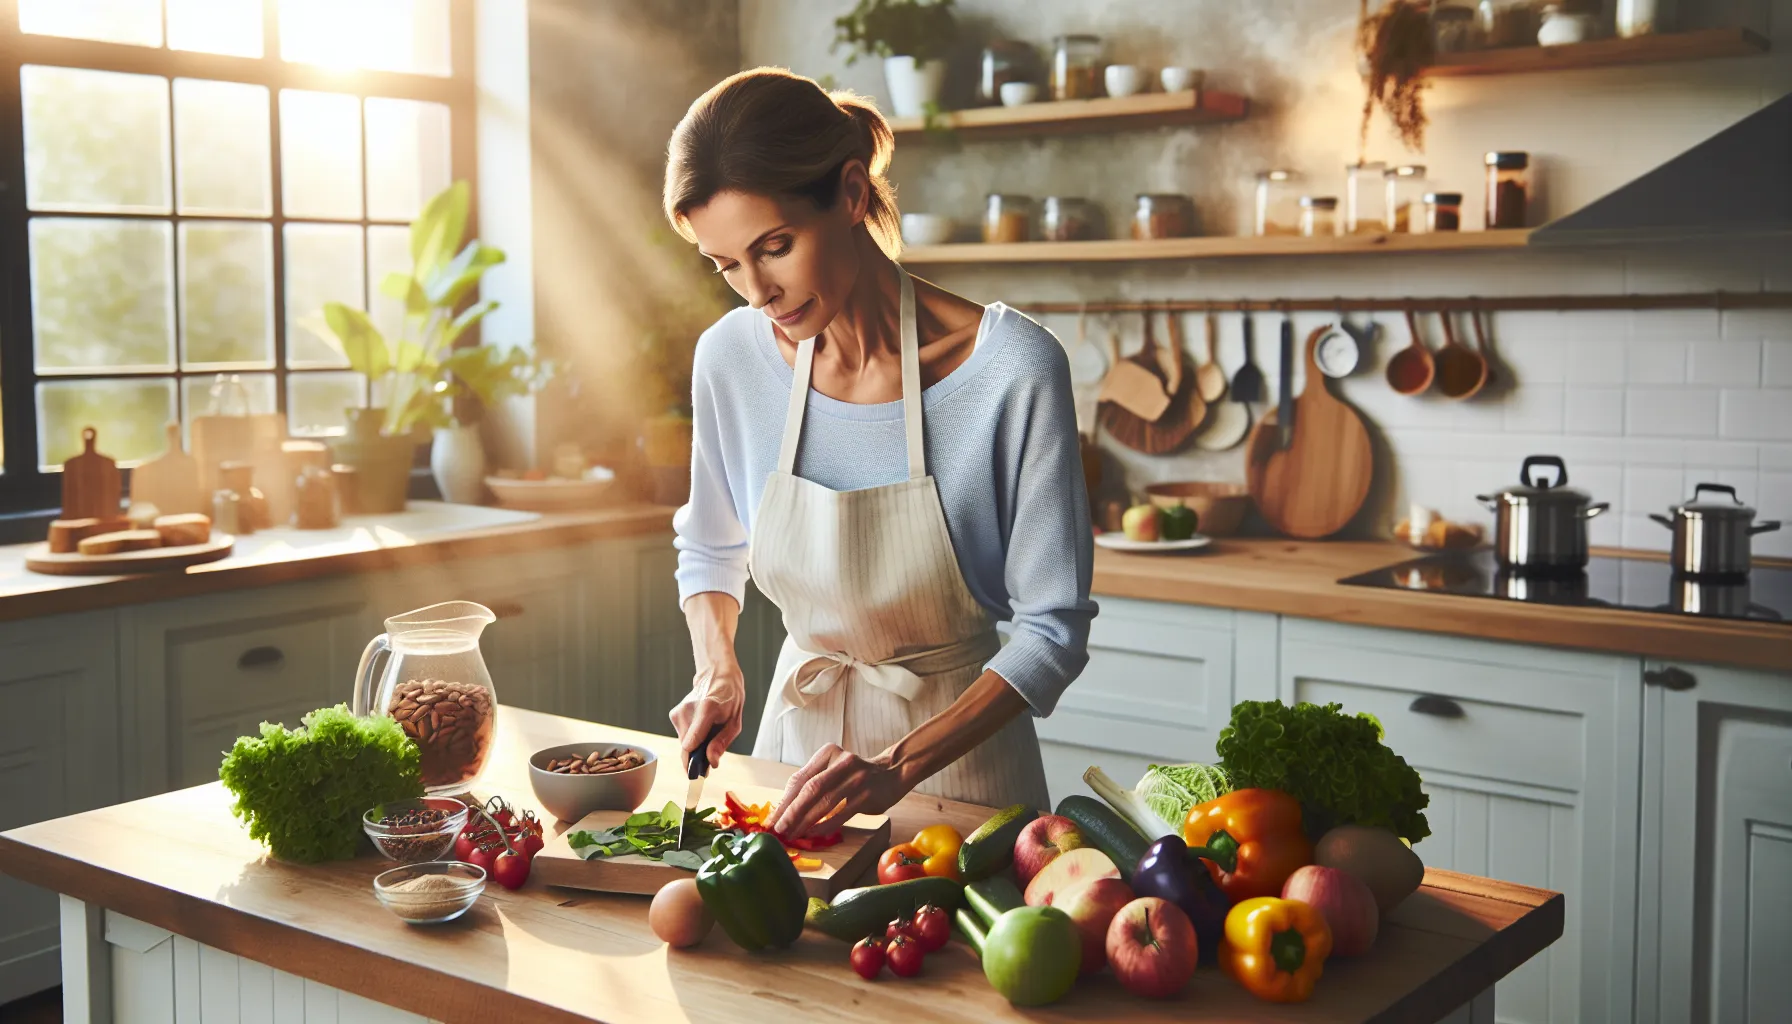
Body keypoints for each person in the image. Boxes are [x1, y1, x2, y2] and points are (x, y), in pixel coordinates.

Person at [662, 68, 1095, 839]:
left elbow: (1051, 633)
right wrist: (717, 672)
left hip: (965, 783)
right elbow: (710, 544)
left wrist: (898, 765)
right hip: (790, 768)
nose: (757, 292)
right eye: (725, 265)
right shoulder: (730, 358)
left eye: (775, 247)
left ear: (854, 195)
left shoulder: (1012, 370)